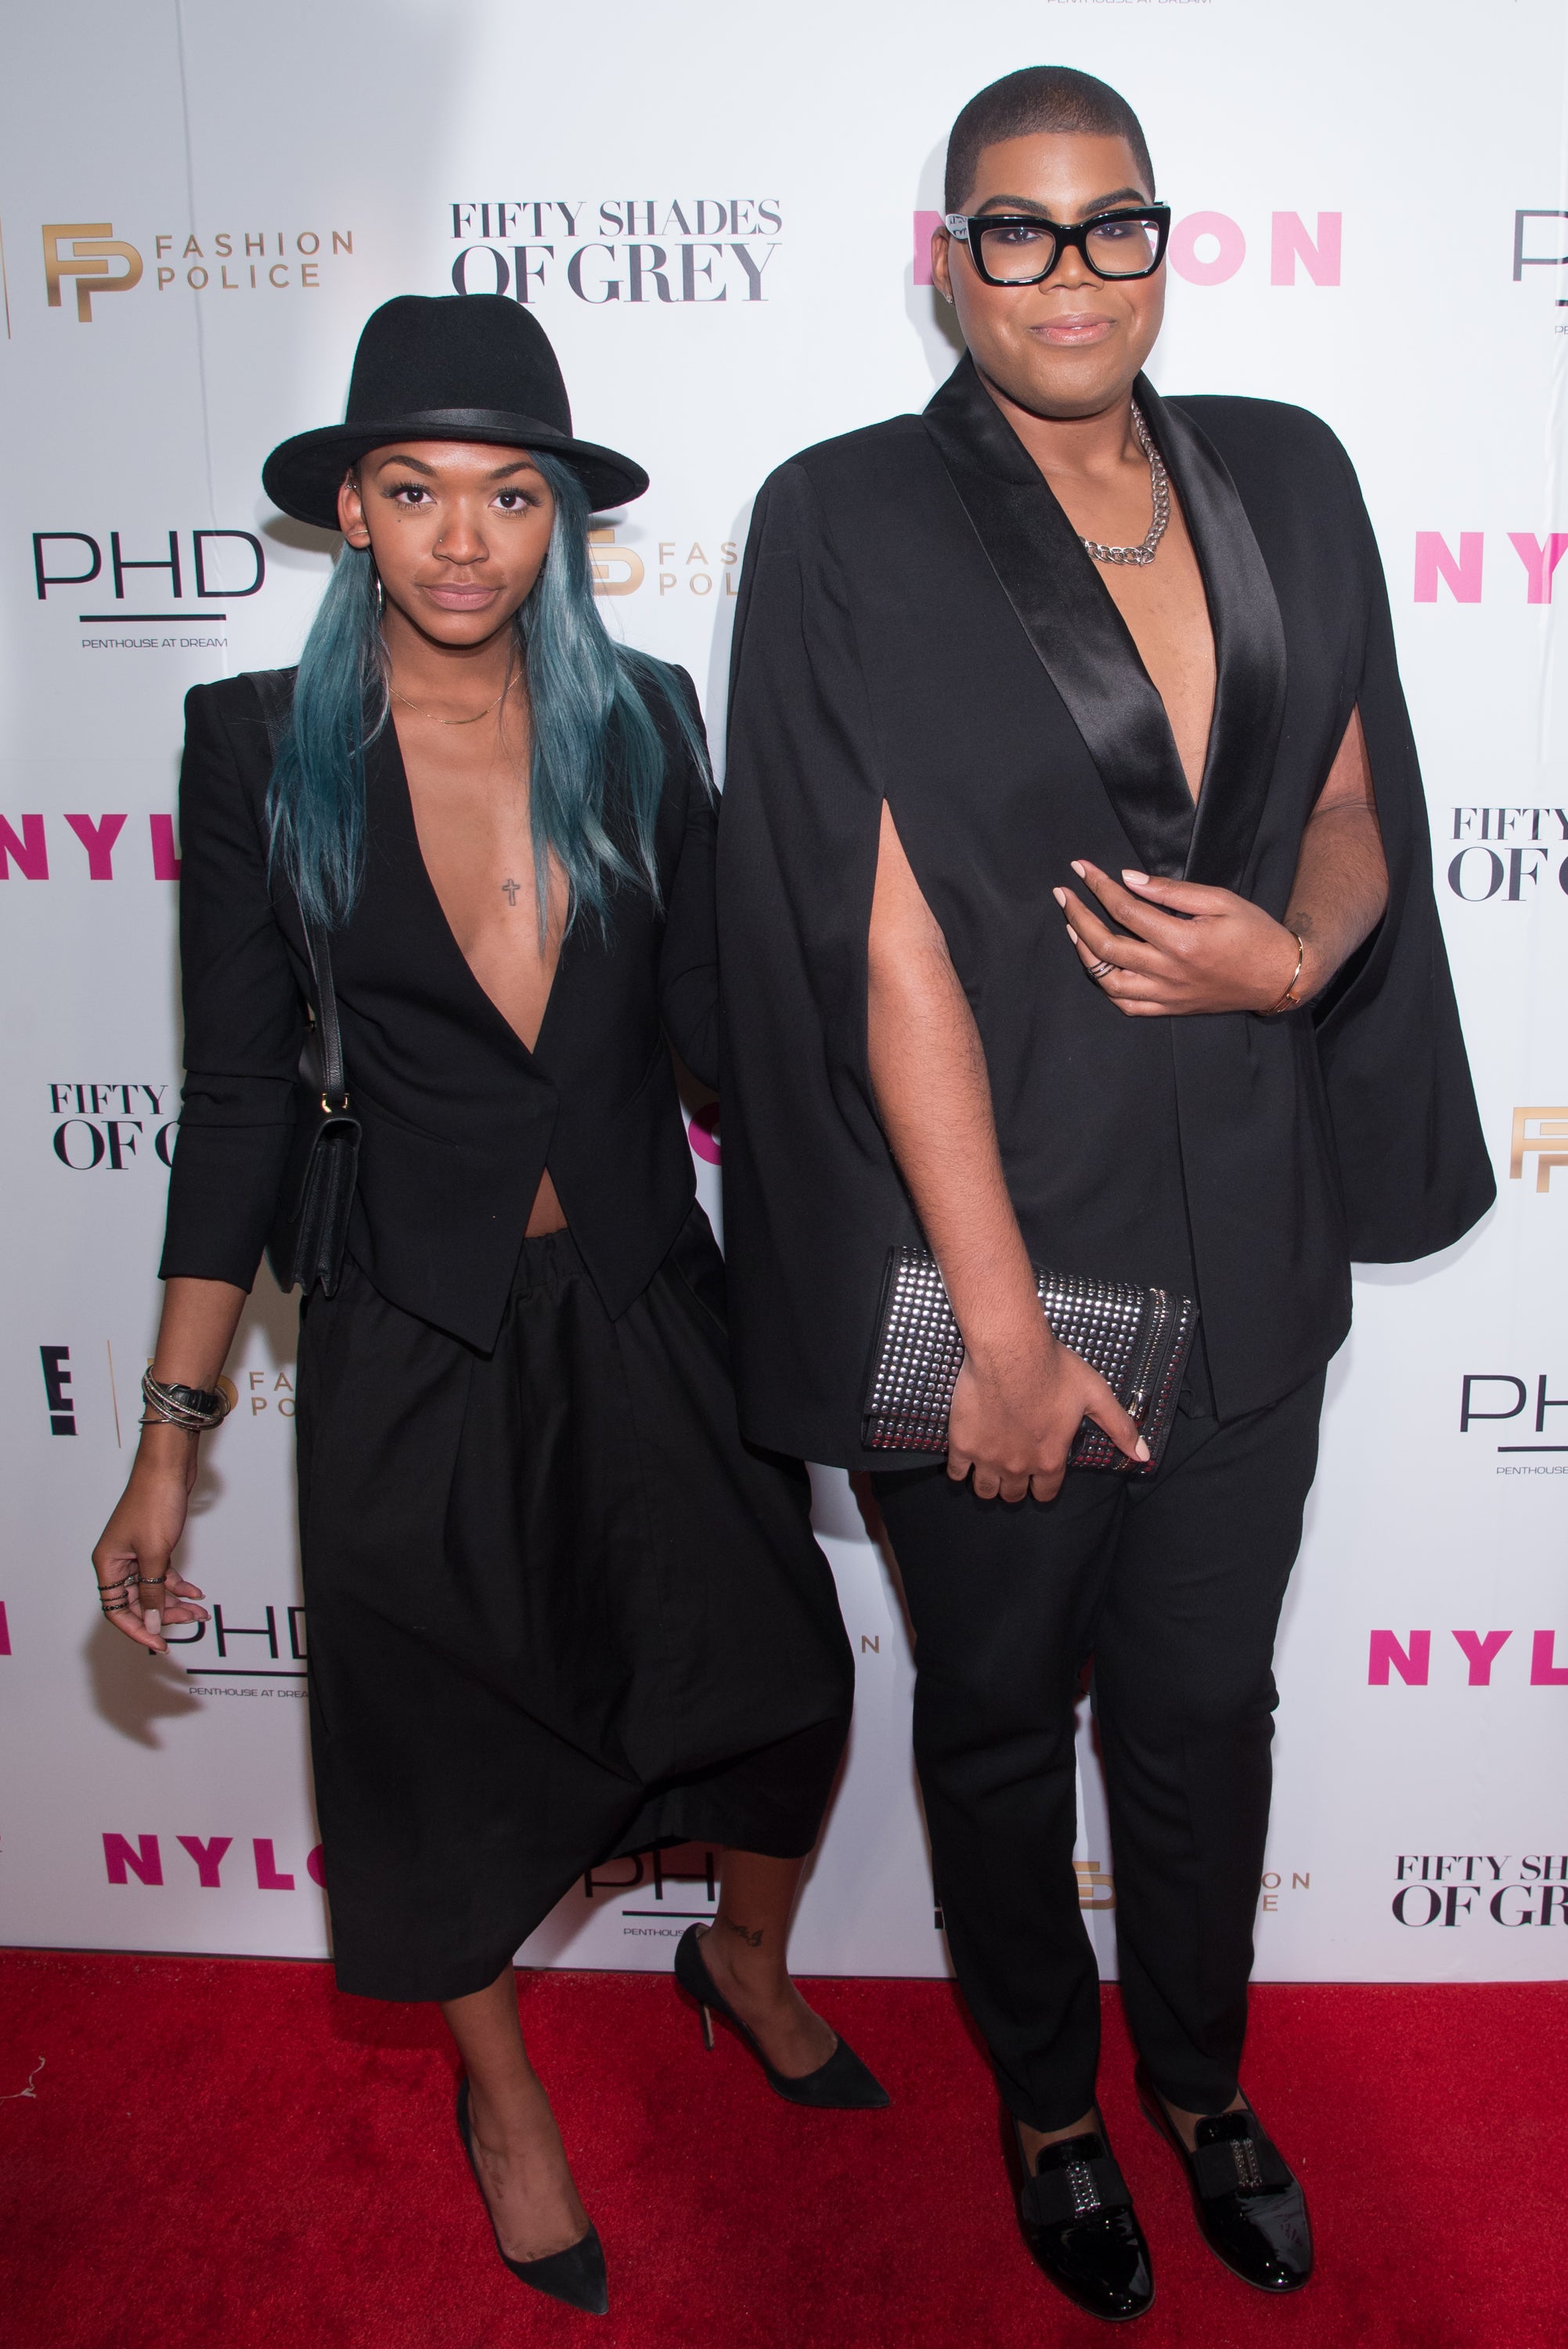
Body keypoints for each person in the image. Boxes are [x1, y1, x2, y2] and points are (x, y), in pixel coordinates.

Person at [717, 67, 1493, 2323]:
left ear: (1164, 238)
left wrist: (1299, 953)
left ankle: (1200, 2080)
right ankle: (1051, 2109)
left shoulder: (1288, 471)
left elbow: (1347, 797)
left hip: (1247, 1238)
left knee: (1202, 1711)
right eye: (1017, 228)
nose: (1070, 273)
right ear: (947, 255)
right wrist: (997, 1327)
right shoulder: (846, 518)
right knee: (990, 1719)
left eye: (1110, 222)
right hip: (998, 1256)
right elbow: (873, 940)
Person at [90, 293, 884, 2321]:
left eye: (510, 494)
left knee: (786, 1676)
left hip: (646, 1294)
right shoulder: (256, 746)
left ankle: (742, 1960)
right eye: (416, 489)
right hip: (408, 1326)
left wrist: (902, 1030)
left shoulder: (649, 724)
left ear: (562, 520)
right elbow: (237, 1101)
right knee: (427, 1749)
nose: (463, 537)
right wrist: (168, 1446)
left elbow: (723, 1045)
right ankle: (502, 2097)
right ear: (352, 510)